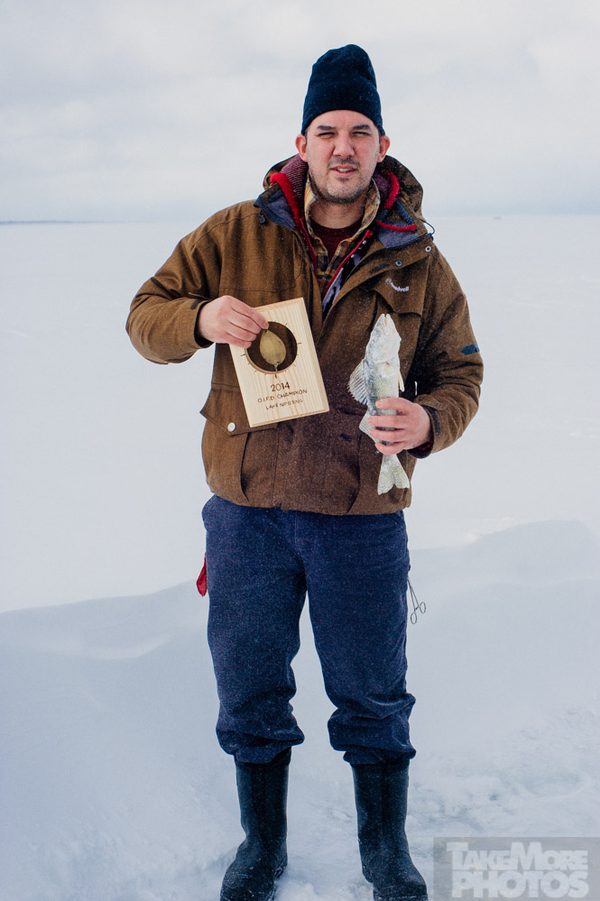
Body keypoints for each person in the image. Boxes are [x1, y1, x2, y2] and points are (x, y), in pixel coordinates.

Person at [127, 44, 482, 901]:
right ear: (302, 141)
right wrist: (201, 317)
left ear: (382, 143)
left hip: (362, 517)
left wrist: (430, 420)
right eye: (327, 130)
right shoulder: (232, 234)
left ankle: (384, 849)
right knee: (250, 688)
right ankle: (262, 844)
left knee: (373, 694)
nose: (343, 147)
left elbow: (461, 371)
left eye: (360, 131)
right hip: (248, 515)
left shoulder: (418, 259)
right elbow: (146, 315)